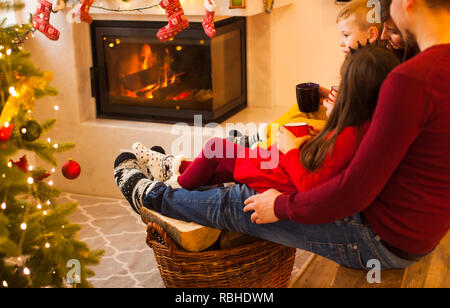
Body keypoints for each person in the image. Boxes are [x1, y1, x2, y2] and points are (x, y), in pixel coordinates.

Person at [114, 0, 450, 270]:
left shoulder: (412, 78)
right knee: (252, 156)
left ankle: (150, 196)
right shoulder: (421, 70)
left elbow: (352, 192)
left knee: (241, 201)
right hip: (413, 232)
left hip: (380, 237)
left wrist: (282, 206)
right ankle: (178, 167)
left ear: (409, 3)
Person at [131, 44, 397, 195]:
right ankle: (175, 167)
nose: (330, 95)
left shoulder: (349, 136)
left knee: (216, 147)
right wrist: (311, 138)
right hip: (276, 166)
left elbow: (309, 185)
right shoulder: (356, 129)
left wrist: (292, 149)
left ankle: (177, 187)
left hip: (277, 174)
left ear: (353, 98)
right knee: (222, 168)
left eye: (337, 91)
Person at [229, 0, 384, 150]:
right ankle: (256, 138)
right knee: (302, 109)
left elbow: (361, 114)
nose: (340, 42)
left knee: (298, 125)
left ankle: (256, 151)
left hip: (346, 127)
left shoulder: (372, 68)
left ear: (371, 34)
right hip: (340, 116)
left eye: (346, 35)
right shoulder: (356, 61)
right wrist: (328, 95)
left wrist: (337, 107)